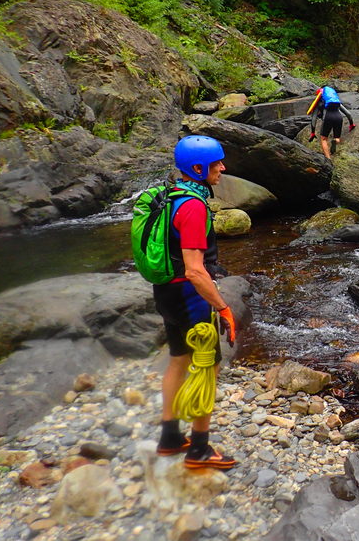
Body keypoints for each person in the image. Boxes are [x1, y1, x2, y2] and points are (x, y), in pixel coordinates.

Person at [154, 134, 237, 470]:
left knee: (177, 361)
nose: (223, 167)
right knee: (206, 369)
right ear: (198, 168)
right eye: (216, 163)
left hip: (165, 293)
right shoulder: (192, 207)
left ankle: (170, 437)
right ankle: (199, 449)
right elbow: (195, 271)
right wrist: (223, 307)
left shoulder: (170, 195)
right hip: (189, 298)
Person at [306, 85, 355, 159]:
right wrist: (351, 124)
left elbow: (314, 118)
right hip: (339, 117)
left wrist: (313, 132)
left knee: (323, 139)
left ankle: (328, 159)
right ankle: (336, 140)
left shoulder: (319, 103)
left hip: (328, 117)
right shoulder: (335, 101)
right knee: (337, 138)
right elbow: (348, 113)